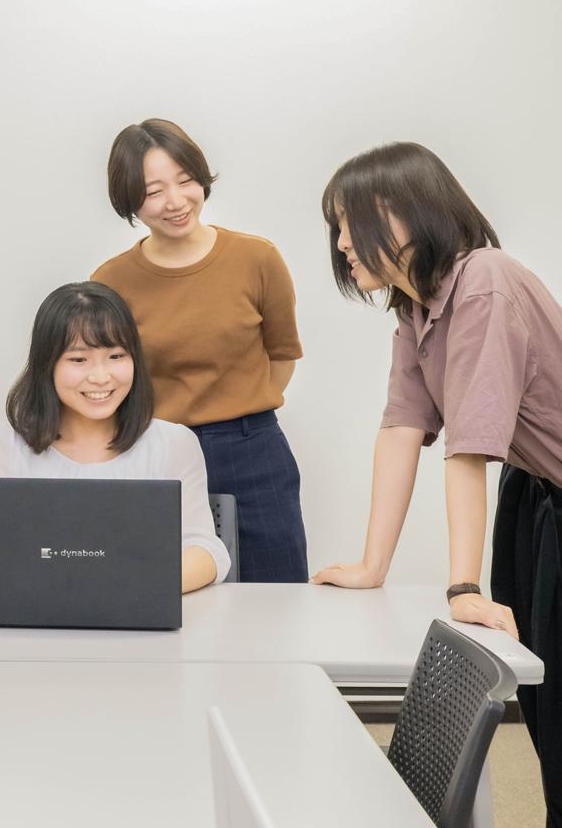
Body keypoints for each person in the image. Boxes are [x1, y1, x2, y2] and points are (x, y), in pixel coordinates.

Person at [311, 141, 562, 825]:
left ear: (407, 215)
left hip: (546, 494)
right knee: (543, 708)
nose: (341, 244)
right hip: (534, 494)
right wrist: (371, 565)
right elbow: (401, 430)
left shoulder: (484, 282)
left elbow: (468, 448)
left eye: (350, 222)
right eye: (333, 226)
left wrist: (463, 587)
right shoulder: (413, 307)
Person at [91, 118, 307, 583]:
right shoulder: (110, 282)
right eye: (153, 191)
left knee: (275, 598)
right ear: (128, 199)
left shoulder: (257, 259)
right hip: (155, 452)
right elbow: (104, 379)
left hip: (253, 452)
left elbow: (281, 357)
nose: (175, 202)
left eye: (186, 181)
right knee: (155, 593)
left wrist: (237, 411)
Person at [0, 281, 230, 590]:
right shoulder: (10, 445)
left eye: (116, 356)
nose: (101, 377)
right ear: (47, 366)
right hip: (35, 624)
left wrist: (120, 586)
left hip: (139, 622)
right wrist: (41, 586)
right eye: (78, 360)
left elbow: (206, 550)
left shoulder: (174, 443)